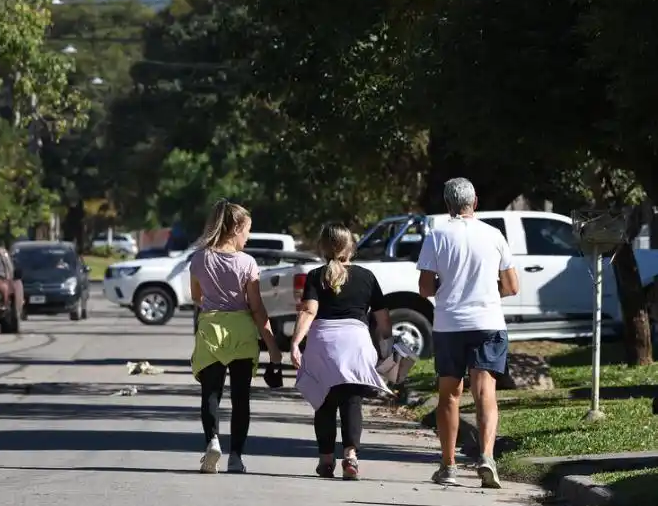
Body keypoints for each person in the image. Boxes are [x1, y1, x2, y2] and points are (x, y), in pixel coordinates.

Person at [416, 177, 519, 488]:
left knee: (450, 395)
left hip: (449, 325)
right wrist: (485, 292)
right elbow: (512, 286)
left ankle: (448, 466)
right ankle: (487, 457)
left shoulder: (436, 235)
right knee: (485, 391)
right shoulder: (494, 235)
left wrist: (447, 289)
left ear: (448, 205)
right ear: (475, 203)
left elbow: (424, 288)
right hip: (488, 321)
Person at [289, 223, 393, 480]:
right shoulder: (367, 277)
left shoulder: (316, 276)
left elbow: (309, 311)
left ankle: (326, 461)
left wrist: (294, 343)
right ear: (351, 247)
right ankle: (350, 457)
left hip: (323, 342)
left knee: (323, 401)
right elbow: (383, 320)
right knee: (352, 401)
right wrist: (387, 350)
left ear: (323, 247)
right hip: (356, 343)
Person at [190, 199, 283, 474]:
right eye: (248, 230)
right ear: (236, 228)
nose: (249, 236)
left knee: (211, 393)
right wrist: (273, 347)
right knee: (241, 397)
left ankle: (212, 443)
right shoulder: (247, 263)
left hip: (211, 328)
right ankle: (236, 457)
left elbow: (196, 297)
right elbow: (256, 307)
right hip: (242, 330)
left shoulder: (199, 258)